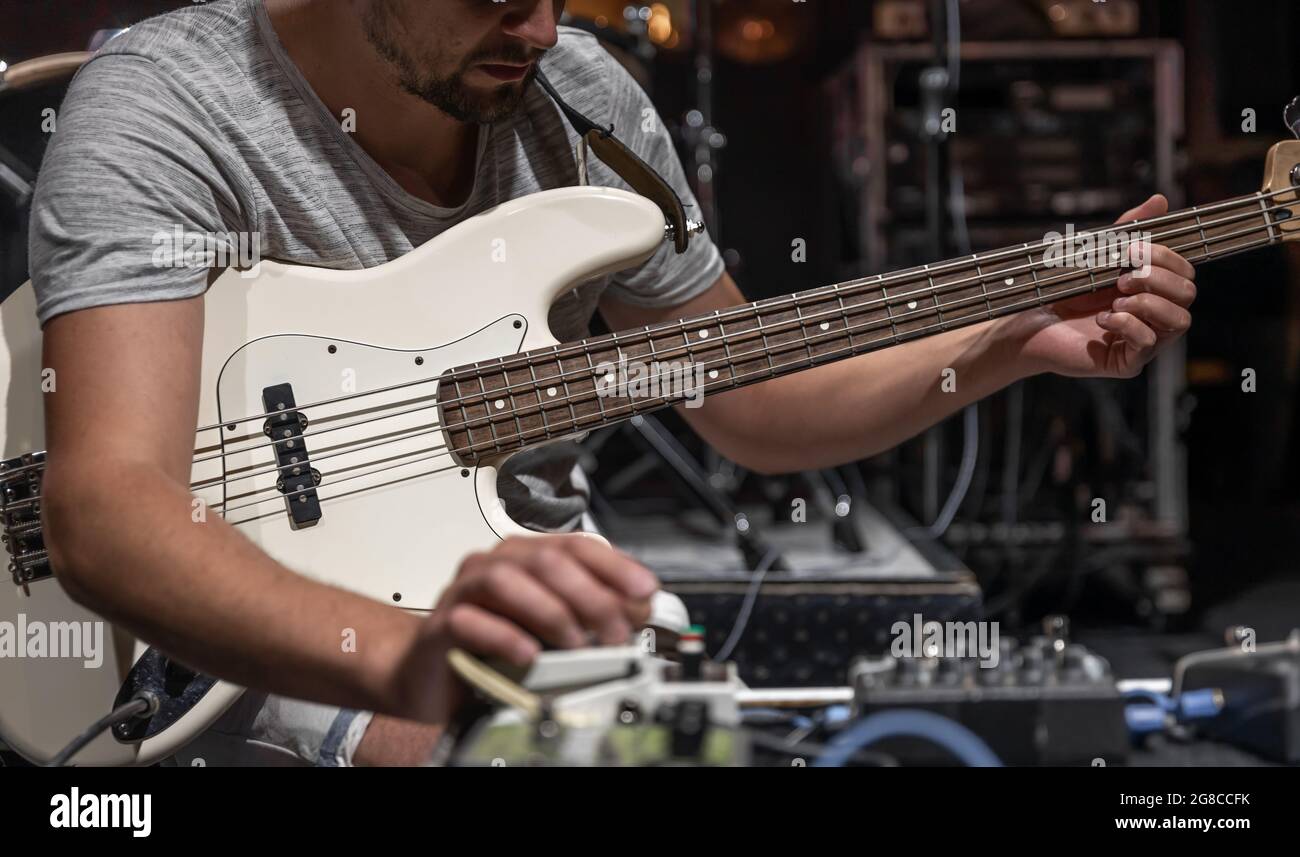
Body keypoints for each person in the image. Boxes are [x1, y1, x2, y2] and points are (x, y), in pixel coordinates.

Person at [29, 0, 1197, 765]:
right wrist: (410, 653)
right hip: (262, 631)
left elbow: (751, 401)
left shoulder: (580, 98)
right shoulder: (164, 107)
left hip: (538, 603)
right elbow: (107, 511)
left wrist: (1000, 336)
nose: (538, 27)